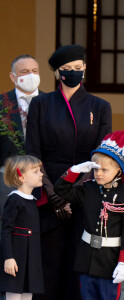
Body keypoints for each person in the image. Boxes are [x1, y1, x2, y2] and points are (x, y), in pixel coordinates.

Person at [26, 45, 112, 300]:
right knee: (48, 265)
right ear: (57, 73)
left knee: (79, 266)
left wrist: (73, 193)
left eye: (78, 68)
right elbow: (33, 154)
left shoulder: (100, 106)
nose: (73, 73)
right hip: (48, 192)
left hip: (84, 194)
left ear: (85, 68)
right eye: (67, 70)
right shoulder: (40, 104)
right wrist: (53, 194)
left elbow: (102, 156)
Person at [53, 130, 124, 300]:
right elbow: (60, 190)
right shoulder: (88, 189)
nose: (98, 174)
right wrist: (75, 170)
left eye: (105, 170)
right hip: (86, 260)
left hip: (110, 262)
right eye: (95, 169)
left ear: (118, 170)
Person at [0, 55, 42, 235]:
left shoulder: (52, 102)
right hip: (7, 178)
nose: (31, 75)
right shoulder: (2, 103)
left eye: (34, 71)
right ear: (12, 76)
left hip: (42, 181)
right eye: (25, 72)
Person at [0, 155, 44, 300]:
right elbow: (6, 230)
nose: (41, 174)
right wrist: (9, 257)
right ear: (21, 177)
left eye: (40, 171)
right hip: (16, 258)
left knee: (27, 295)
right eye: (36, 171)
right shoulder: (14, 199)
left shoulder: (32, 201)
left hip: (31, 259)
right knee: (14, 294)